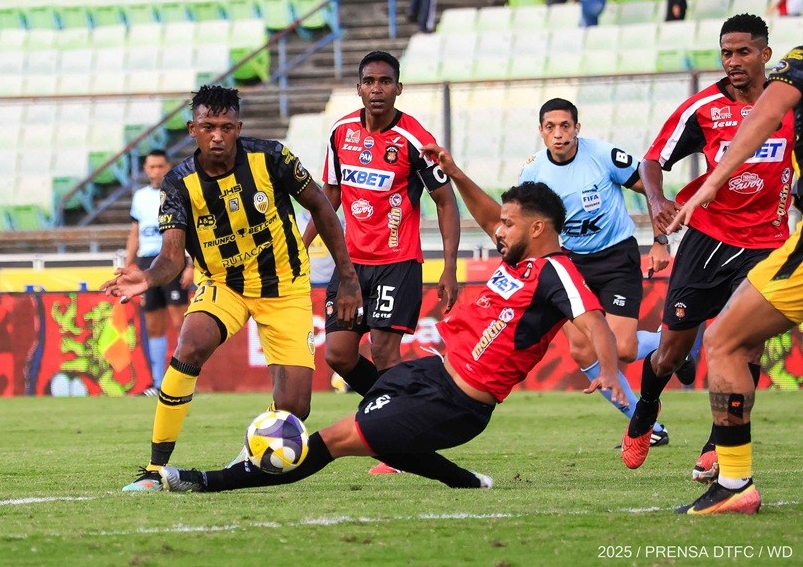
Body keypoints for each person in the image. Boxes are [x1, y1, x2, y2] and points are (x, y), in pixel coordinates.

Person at [155, 181, 629, 494]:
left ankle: (207, 481)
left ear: (538, 228)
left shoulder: (555, 270)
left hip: (459, 404)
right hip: (430, 372)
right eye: (500, 222)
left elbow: (595, 322)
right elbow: (486, 212)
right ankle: (463, 482)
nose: (497, 230)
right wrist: (455, 172)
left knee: (335, 439)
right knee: (378, 426)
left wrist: (608, 369)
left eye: (508, 224)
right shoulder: (520, 261)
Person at [102, 84, 362, 492]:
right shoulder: (178, 183)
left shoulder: (272, 157)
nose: (217, 135)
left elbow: (321, 205)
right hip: (223, 283)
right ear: (192, 129)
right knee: (189, 345)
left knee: (296, 408)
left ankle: (245, 460)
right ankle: (154, 470)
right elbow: (171, 256)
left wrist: (346, 275)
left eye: (226, 126)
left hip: (285, 286)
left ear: (238, 127)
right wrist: (148, 276)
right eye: (208, 126)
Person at [621, 14, 796, 476]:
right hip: (708, 239)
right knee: (671, 352)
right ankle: (646, 407)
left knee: (745, 345)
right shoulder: (702, 108)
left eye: (743, 52)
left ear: (765, 54)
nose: (733, 62)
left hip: (767, 242)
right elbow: (653, 159)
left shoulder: (791, 104)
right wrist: (657, 200)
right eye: (726, 53)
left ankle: (720, 444)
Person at [302, 50, 460, 475]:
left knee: (386, 354)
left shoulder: (413, 138)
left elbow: (445, 202)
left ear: (398, 88)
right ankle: (395, 421)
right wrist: (303, 244)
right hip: (351, 265)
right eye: (369, 81)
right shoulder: (341, 132)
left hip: (398, 262)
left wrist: (449, 267)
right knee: (337, 354)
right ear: (359, 88)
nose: (377, 89)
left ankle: (393, 441)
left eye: (385, 81)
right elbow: (329, 196)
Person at [669, 46, 802, 514]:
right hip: (773, 241)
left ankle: (735, 483)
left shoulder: (798, 62)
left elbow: (762, 118)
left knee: (723, 339)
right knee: (734, 340)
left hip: (788, 243)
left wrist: (709, 185)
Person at [516, 98, 679, 445]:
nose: (558, 134)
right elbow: (523, 222)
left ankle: (680, 346)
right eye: (550, 127)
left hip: (616, 257)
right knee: (581, 349)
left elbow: (650, 187)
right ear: (541, 132)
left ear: (577, 128)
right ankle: (646, 426)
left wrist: (660, 240)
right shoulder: (532, 172)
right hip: (571, 262)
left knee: (622, 350)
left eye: (565, 126)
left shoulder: (603, 156)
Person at [125, 150, 193, 395]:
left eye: (160, 166)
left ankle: (183, 382)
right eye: (151, 167)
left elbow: (192, 230)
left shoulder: (178, 191)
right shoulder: (140, 197)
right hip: (146, 262)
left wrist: (191, 265)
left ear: (168, 166)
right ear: (145, 169)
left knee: (181, 324)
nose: (156, 171)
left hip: (172, 258)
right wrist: (129, 264)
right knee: (153, 324)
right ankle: (157, 382)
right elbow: (135, 233)